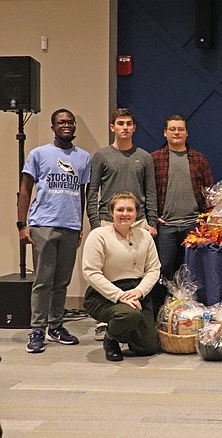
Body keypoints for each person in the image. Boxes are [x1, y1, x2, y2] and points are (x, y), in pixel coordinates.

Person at [17, 109, 91, 354]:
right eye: (61, 122)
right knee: (43, 281)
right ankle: (37, 329)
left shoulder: (83, 157)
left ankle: (56, 326)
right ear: (53, 127)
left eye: (70, 122)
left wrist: (79, 226)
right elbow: (25, 189)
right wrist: (21, 224)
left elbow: (81, 194)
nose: (66, 126)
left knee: (62, 282)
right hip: (43, 225)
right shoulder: (39, 154)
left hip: (70, 226)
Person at [86, 108, 158, 341]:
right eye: (120, 123)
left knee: (136, 270)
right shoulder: (101, 156)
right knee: (108, 271)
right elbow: (92, 190)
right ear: (112, 127)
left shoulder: (144, 157)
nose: (124, 127)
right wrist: (95, 222)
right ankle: (106, 321)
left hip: (138, 223)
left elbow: (151, 192)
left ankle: (135, 314)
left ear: (134, 128)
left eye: (128, 123)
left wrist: (152, 221)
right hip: (107, 221)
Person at [82, 191, 161, 361]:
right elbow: (91, 272)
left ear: (136, 213)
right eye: (120, 210)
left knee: (148, 348)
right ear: (111, 213)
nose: (125, 214)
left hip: (137, 293)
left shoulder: (145, 236)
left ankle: (127, 331)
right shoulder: (98, 235)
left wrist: (140, 291)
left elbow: (154, 269)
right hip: (105, 295)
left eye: (130, 210)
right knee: (129, 315)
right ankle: (111, 338)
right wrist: (119, 295)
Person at [150, 115, 213, 308]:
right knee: (164, 270)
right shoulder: (154, 159)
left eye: (180, 129)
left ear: (186, 133)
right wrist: (152, 218)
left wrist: (208, 220)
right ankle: (160, 313)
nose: (176, 132)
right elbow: (147, 192)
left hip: (193, 226)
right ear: (165, 132)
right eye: (172, 129)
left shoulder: (199, 159)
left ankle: (191, 312)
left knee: (192, 271)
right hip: (166, 226)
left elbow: (210, 192)